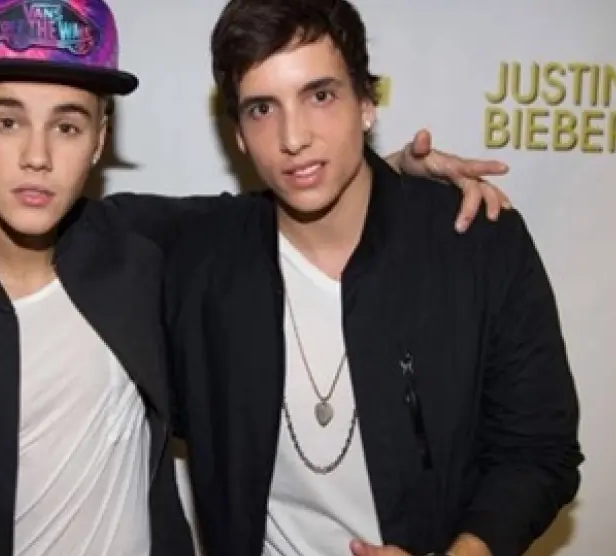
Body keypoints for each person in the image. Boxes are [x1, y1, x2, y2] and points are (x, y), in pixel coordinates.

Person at [0, 0, 514, 554]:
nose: (36, 156)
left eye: (67, 126)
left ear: (100, 139)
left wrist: (393, 174)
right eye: (6, 122)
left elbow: (292, 194)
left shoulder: (139, 249)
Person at [163, 1, 584, 556]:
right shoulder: (197, 259)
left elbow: (538, 451)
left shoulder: (477, 243)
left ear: (366, 103)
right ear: (238, 134)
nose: (294, 137)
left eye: (320, 96)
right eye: (262, 108)